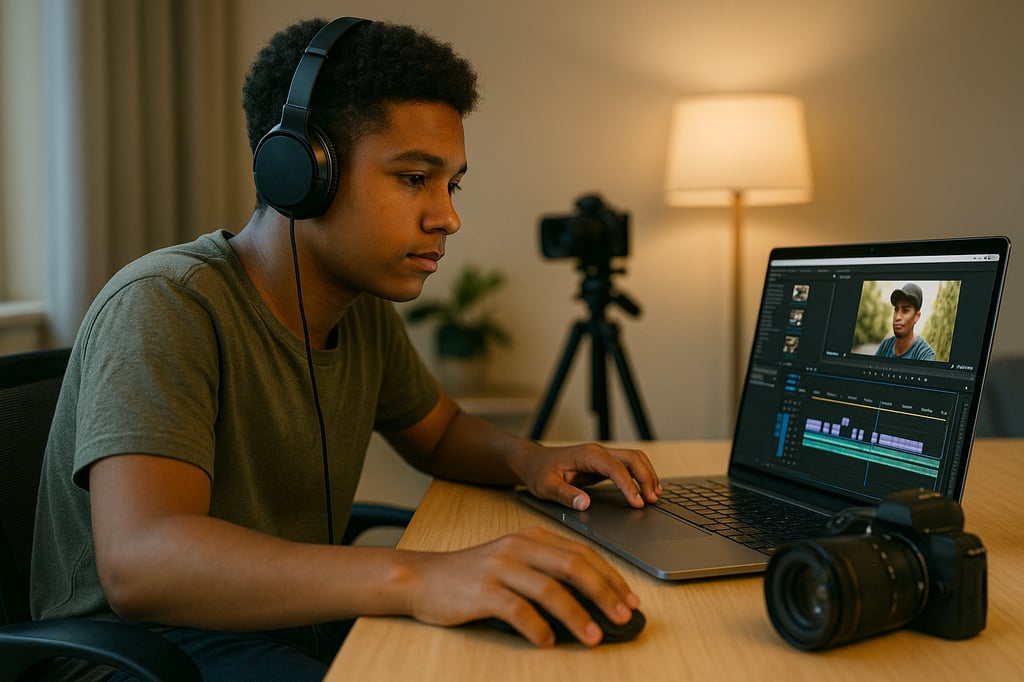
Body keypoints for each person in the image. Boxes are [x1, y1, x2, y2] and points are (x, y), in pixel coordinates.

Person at [30, 17, 661, 681]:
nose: (447, 217)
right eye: (415, 177)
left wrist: (532, 460)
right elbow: (142, 563)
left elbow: (439, 434)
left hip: (278, 628)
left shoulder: (358, 312)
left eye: (453, 184)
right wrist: (419, 575)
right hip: (145, 656)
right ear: (300, 171)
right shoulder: (168, 303)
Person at [875, 283, 936, 361]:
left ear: (917, 316)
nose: (897, 317)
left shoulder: (925, 354)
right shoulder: (886, 344)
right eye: (896, 309)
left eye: (905, 310)